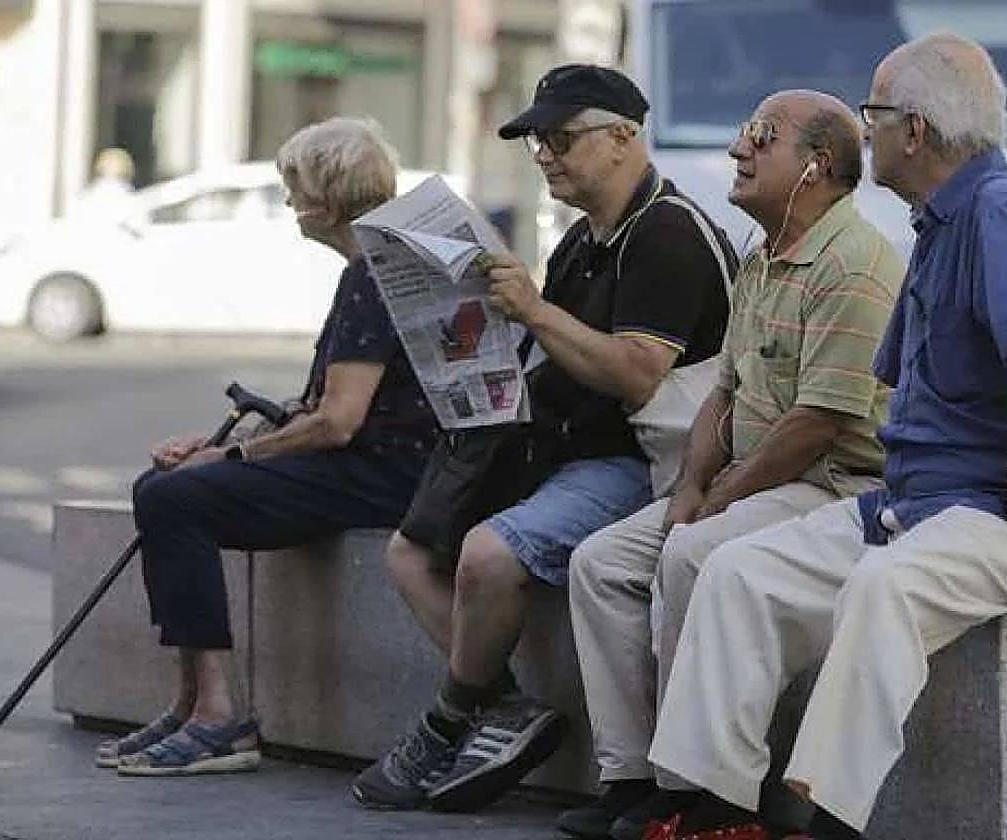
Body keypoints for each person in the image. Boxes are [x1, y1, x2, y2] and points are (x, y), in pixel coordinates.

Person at [645, 33, 1007, 840]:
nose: (864, 133)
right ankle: (718, 811)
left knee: (884, 586)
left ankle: (829, 820)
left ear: (915, 130)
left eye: (873, 115)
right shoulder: (941, 222)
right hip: (924, 503)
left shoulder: (1003, 209)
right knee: (737, 571)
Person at [351, 64, 736, 812]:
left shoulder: (667, 233)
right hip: (556, 443)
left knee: (488, 554)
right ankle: (503, 709)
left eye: (561, 137)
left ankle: (447, 719)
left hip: (644, 460)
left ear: (623, 137)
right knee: (409, 551)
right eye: (537, 142)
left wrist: (532, 310)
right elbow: (550, 356)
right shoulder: (581, 240)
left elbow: (637, 374)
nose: (545, 155)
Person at [561, 90, 904, 840]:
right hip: (750, 481)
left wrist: (713, 502)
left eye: (761, 136)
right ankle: (631, 778)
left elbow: (817, 423)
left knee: (693, 551)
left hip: (829, 486)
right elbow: (724, 392)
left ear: (815, 166)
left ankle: (702, 793)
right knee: (599, 564)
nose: (737, 150)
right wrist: (690, 486)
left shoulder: (855, 265)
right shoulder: (762, 255)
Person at [96, 117, 439, 776]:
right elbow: (326, 407)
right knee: (161, 488)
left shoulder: (372, 274)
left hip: (384, 474)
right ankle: (192, 702)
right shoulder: (385, 261)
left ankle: (218, 716)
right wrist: (222, 443)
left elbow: (339, 422)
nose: (288, 200)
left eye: (295, 187)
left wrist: (229, 457)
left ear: (327, 203)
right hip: (384, 463)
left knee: (174, 499)